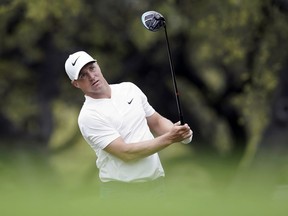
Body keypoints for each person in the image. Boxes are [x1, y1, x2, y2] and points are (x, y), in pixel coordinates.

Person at [64, 51, 193, 197]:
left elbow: (156, 121)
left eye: (91, 68)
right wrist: (170, 138)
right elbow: (126, 153)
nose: (91, 76)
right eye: (83, 75)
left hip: (156, 184)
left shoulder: (129, 89)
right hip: (120, 193)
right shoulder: (88, 116)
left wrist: (179, 131)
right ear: (76, 84)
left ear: (97, 65)